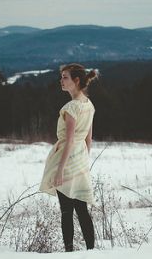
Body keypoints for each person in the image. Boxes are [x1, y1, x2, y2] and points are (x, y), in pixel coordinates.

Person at [39, 63, 98, 252]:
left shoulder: (71, 107)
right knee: (82, 209)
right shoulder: (88, 104)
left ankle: (69, 252)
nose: (61, 81)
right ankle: (92, 251)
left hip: (68, 158)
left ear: (76, 80)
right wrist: (83, 162)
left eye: (65, 77)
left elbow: (70, 140)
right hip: (80, 159)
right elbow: (88, 139)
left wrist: (60, 169)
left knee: (66, 211)